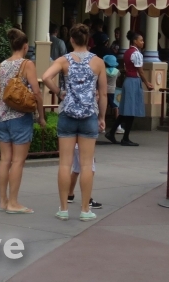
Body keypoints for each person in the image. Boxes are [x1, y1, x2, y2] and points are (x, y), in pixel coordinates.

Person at [42, 24, 107, 221]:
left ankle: (63, 208)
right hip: (88, 116)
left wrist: (59, 92)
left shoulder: (64, 60)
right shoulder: (98, 62)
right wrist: (102, 117)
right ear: (87, 40)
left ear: (71, 39)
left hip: (67, 115)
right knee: (86, 165)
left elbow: (45, 77)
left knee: (65, 164)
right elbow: (103, 93)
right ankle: (85, 209)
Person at [0, 28, 45, 214]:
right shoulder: (27, 64)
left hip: (1, 117)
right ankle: (13, 203)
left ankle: (3, 201)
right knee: (17, 162)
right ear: (25, 46)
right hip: (20, 118)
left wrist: (1, 112)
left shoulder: (1, 65)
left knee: (4, 159)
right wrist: (41, 116)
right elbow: (37, 92)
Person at [114, 32, 154, 146]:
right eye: (141, 40)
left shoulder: (127, 52)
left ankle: (113, 132)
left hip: (129, 80)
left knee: (126, 109)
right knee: (130, 110)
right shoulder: (136, 54)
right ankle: (125, 137)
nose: (143, 42)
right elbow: (140, 71)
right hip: (133, 81)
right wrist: (147, 82)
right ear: (135, 41)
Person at [66, 143, 101, 209]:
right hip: (84, 143)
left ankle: (70, 195)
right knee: (90, 170)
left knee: (76, 170)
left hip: (74, 144)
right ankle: (87, 200)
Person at [102, 54, 121, 144]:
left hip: (105, 91)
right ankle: (119, 127)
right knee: (116, 108)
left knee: (103, 108)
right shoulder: (117, 71)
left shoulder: (104, 71)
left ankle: (102, 127)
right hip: (114, 90)